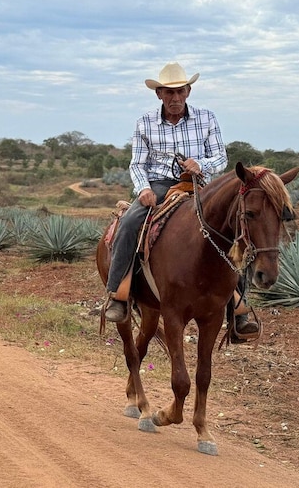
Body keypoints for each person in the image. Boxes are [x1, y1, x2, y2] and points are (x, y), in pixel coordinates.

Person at [102, 62, 259, 339]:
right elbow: (137, 164)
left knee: (235, 231)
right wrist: (143, 189)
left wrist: (201, 165)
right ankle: (118, 294)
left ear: (188, 91)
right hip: (160, 186)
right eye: (168, 93)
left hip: (200, 186)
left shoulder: (207, 118)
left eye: (180, 92)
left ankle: (239, 306)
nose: (175, 98)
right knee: (128, 223)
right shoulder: (145, 123)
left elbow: (221, 157)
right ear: (159, 94)